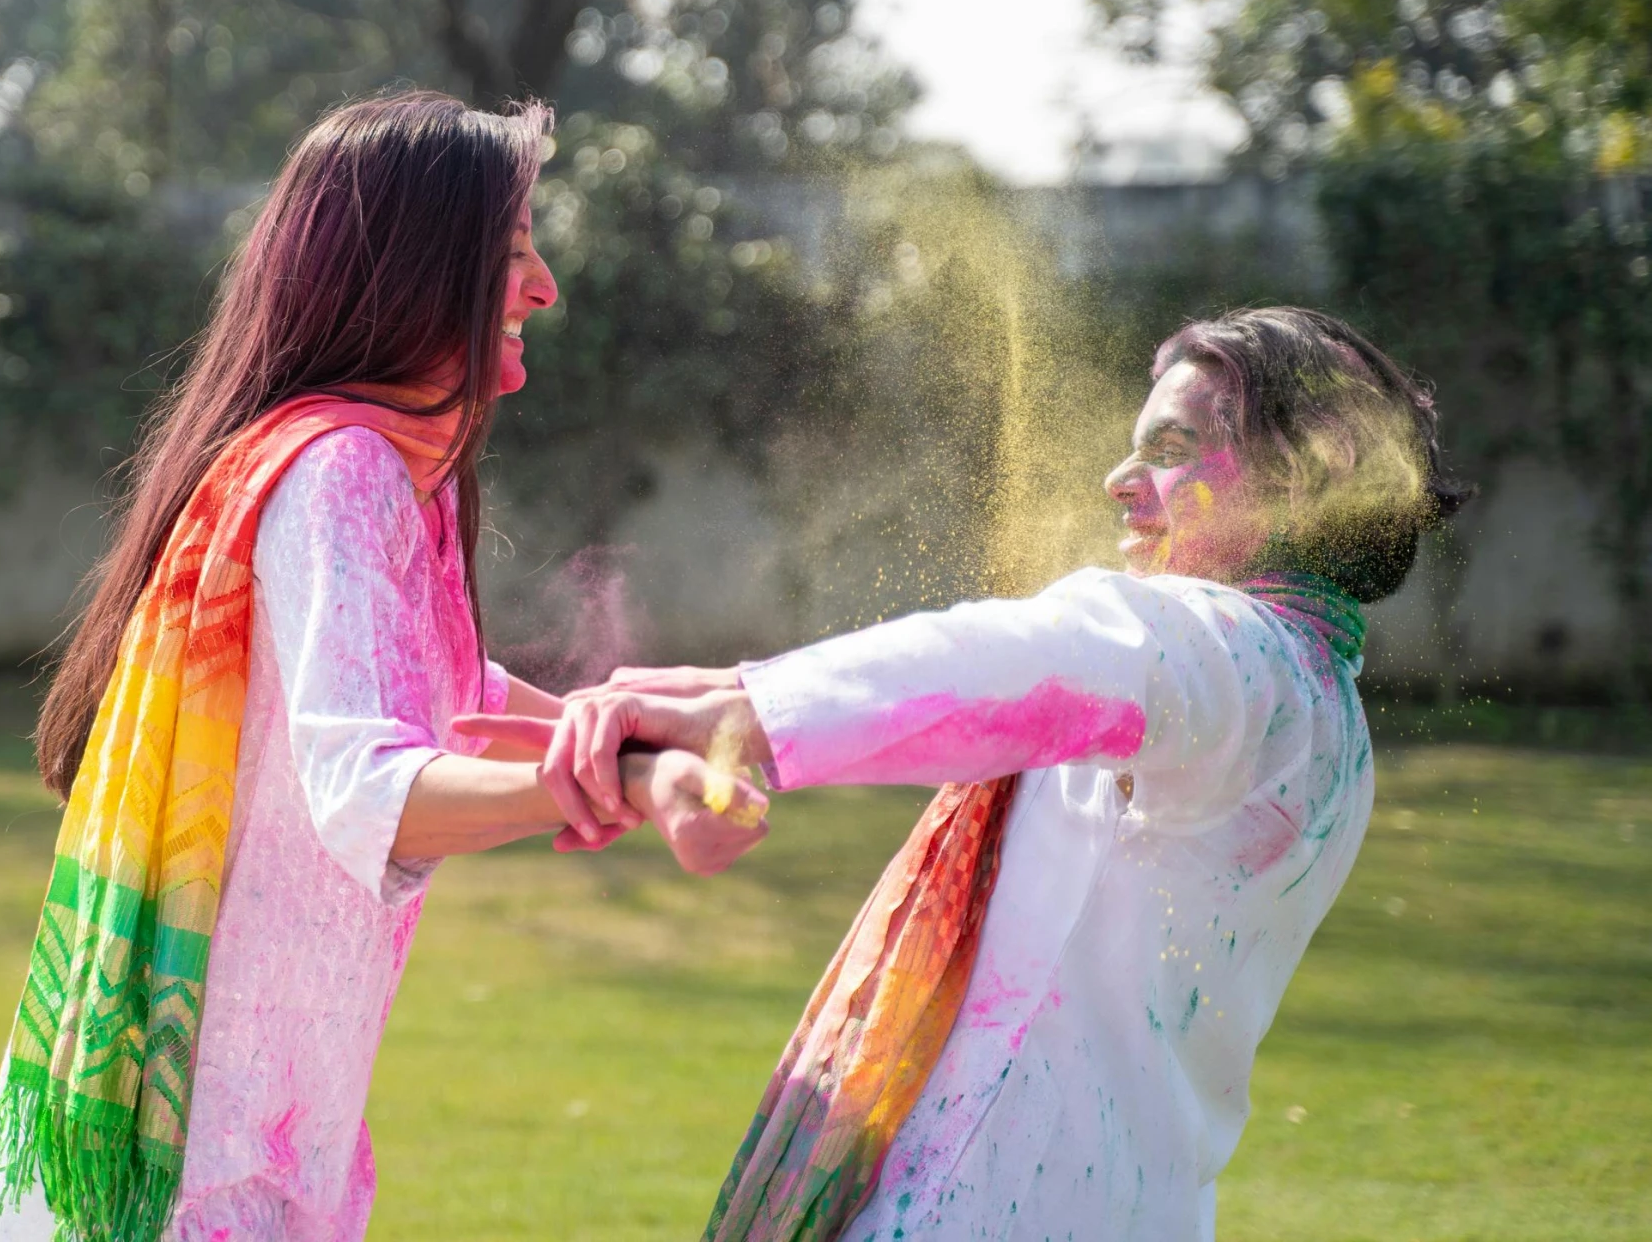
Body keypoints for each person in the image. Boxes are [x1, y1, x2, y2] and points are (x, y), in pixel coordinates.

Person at [464, 306, 1466, 1242]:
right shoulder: (1309, 700)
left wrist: (747, 711)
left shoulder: (1242, 662)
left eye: (1168, 450)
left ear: (1310, 477)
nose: (1122, 481)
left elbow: (1050, 655)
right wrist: (733, 689)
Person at [0, 91, 764, 1242]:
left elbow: (448, 690)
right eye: (515, 254)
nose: (545, 290)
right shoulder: (343, 471)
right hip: (194, 1174)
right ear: (416, 272)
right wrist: (613, 780)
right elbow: (369, 788)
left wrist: (639, 726)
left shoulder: (376, 476)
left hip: (253, 1145)